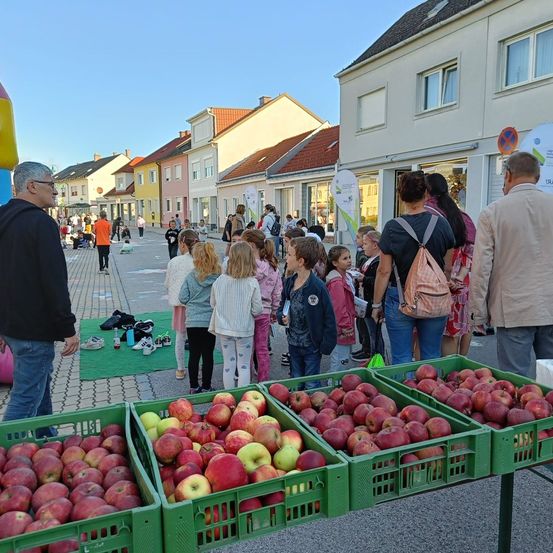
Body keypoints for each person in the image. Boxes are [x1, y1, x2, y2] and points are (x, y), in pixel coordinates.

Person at [0, 162, 78, 432]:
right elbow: (54, 281)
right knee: (25, 399)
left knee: (40, 385)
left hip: (12, 328)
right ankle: (7, 456)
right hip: (33, 330)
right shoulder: (41, 223)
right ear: (32, 186)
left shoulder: (3, 217)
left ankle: (47, 438)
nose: (56, 191)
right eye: (51, 184)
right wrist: (68, 328)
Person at [470, 151, 553, 377]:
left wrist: (478, 313)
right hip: (551, 304)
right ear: (537, 176)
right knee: (551, 375)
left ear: (507, 175)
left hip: (513, 308)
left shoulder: (492, 213)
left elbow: (481, 267)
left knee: (516, 380)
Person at [372, 171, 455, 364]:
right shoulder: (442, 224)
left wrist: (376, 305)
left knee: (401, 357)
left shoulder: (393, 227)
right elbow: (447, 267)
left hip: (399, 297)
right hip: (434, 295)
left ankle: (403, 392)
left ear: (400, 196)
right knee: (432, 356)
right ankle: (430, 392)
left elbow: (383, 271)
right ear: (426, 194)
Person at [426, 173, 476, 356]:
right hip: (462, 283)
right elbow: (471, 250)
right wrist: (461, 276)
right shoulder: (460, 214)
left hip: (436, 282)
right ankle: (461, 369)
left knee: (439, 333)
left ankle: (444, 376)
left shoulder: (427, 212)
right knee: (460, 328)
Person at [277, 237, 337, 389]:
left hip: (311, 345)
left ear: (301, 261)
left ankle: (312, 408)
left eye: (289, 254)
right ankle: (297, 408)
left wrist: (326, 344)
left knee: (311, 382)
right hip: (293, 343)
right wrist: (281, 316)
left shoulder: (318, 287)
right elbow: (283, 303)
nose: (286, 257)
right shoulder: (290, 282)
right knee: (296, 379)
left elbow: (329, 317)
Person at [210, 242, 263, 389]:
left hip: (224, 328)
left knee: (228, 363)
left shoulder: (220, 280)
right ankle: (242, 398)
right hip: (244, 328)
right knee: (244, 365)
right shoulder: (252, 283)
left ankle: (229, 396)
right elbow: (258, 309)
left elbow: (213, 303)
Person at [179, 242, 221, 393]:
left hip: (193, 321)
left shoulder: (191, 277)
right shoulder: (218, 276)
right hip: (210, 321)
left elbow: (182, 297)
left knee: (194, 355)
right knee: (208, 354)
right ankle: (207, 385)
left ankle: (194, 386)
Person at [242, 230, 283, 382]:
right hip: (264, 311)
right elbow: (277, 292)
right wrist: (274, 310)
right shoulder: (273, 267)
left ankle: (246, 378)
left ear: (251, 246)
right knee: (262, 348)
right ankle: (263, 379)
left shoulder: (246, 268)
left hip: (247, 311)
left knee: (247, 348)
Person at [165, 230, 199, 380]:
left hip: (180, 304)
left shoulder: (174, 262)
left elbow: (168, 283)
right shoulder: (201, 261)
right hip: (198, 305)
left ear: (182, 244)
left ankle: (180, 369)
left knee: (180, 336)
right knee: (197, 339)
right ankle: (197, 370)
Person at [325, 246, 356, 372]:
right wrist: (345, 326)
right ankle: (334, 385)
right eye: (345, 258)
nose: (349, 260)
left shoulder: (345, 276)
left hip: (344, 324)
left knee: (342, 358)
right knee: (340, 360)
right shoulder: (336, 282)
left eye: (349, 257)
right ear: (334, 263)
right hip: (341, 328)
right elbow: (338, 307)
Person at [354, 230, 382, 363]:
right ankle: (372, 354)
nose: (362, 246)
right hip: (365, 301)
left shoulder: (379, 261)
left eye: (365, 243)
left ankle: (377, 357)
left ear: (375, 245)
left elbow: (379, 282)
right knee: (369, 331)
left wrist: (363, 279)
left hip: (372, 302)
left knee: (374, 333)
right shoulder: (370, 259)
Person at [280, 227, 305, 368]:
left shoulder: (311, 283)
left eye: (287, 241)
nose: (285, 244)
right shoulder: (290, 273)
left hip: (306, 339)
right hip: (289, 304)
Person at [352, 225, 375, 362]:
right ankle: (364, 347)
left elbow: (374, 278)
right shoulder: (361, 252)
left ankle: (368, 350)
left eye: (359, 238)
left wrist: (362, 277)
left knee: (368, 328)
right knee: (361, 324)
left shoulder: (372, 258)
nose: (357, 240)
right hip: (361, 295)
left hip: (367, 298)